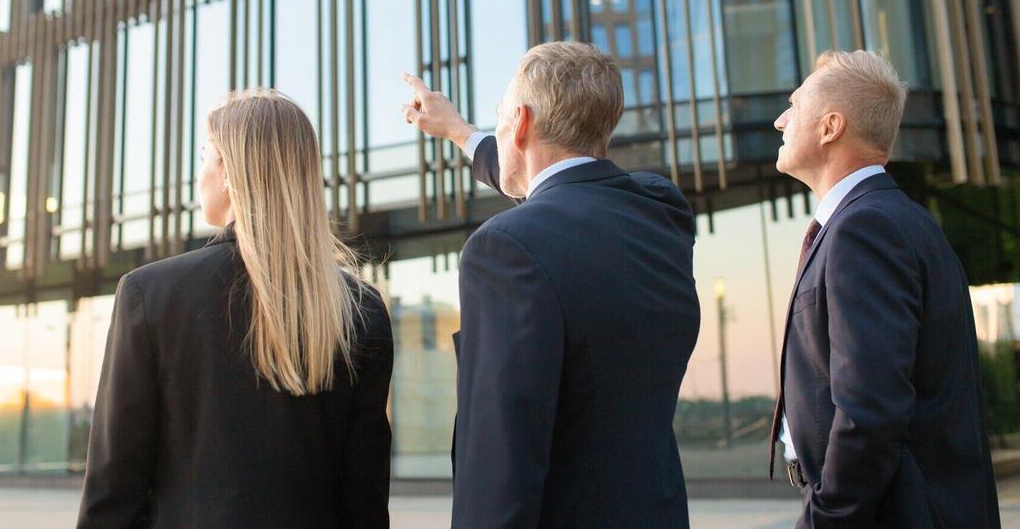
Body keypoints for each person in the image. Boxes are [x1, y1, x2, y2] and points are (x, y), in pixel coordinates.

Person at [403, 41, 700, 528]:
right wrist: (460, 132)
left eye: (500, 116)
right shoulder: (662, 213)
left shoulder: (504, 249)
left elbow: (498, 465)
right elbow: (562, 194)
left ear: (519, 123)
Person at [77, 90, 393, 528]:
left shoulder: (150, 294)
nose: (199, 173)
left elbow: (113, 491)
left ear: (229, 172)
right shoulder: (361, 309)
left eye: (206, 156)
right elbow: (364, 499)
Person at [770, 50, 1000, 528]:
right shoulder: (895, 220)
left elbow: (869, 412)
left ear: (830, 127)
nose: (779, 121)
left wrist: (824, 519)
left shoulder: (866, 228)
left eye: (794, 105)